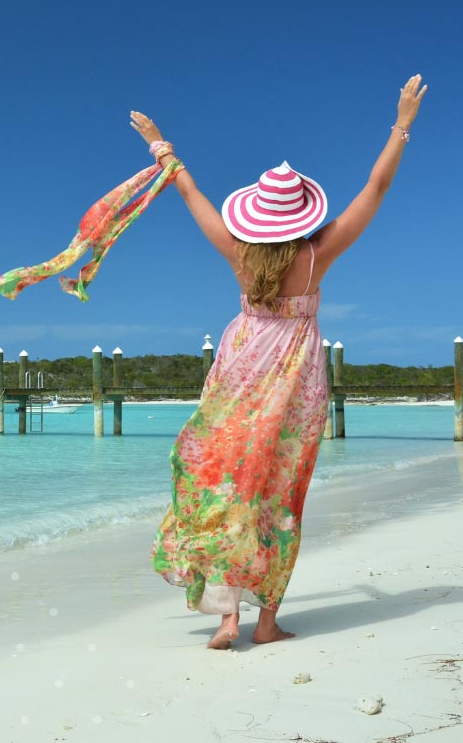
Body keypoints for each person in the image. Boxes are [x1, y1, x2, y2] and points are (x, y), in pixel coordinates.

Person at [131, 74, 429, 649]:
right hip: (296, 379)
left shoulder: (237, 252)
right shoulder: (319, 255)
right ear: (300, 217)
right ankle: (266, 621)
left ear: (255, 217)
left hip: (241, 369)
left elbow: (188, 192)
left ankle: (226, 620)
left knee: (228, 484)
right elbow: (378, 186)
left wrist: (159, 143)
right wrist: (403, 122)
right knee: (278, 494)